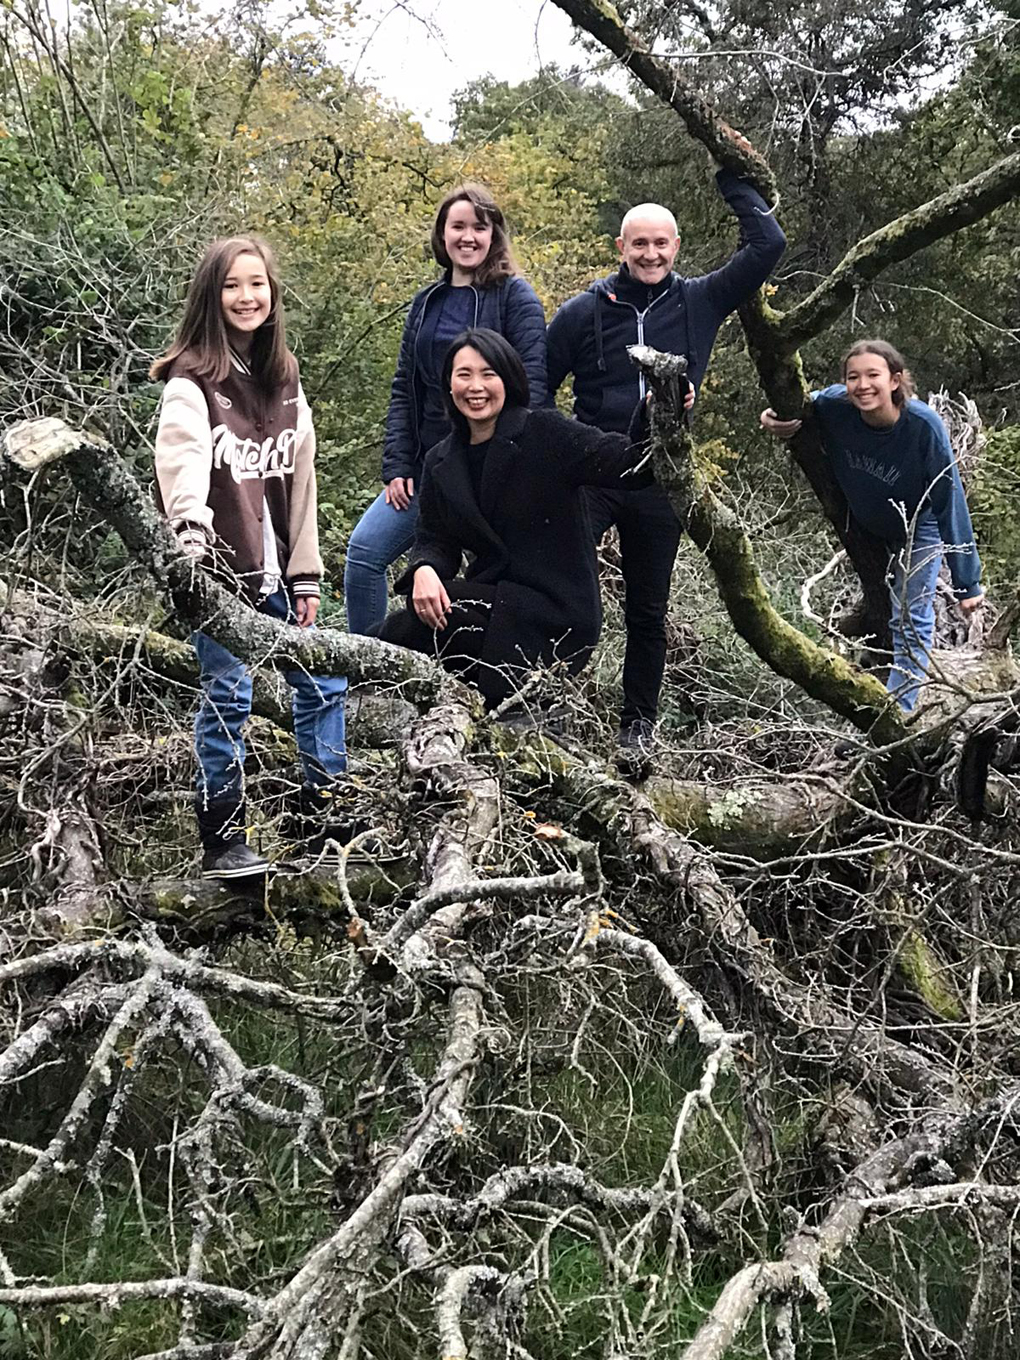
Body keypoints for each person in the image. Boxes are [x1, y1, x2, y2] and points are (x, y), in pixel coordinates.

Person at [546, 169, 786, 767]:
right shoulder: (584, 312)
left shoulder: (698, 299)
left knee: (648, 610)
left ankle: (637, 730)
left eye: (661, 243)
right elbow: (535, 393)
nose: (650, 253)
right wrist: (565, 450)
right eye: (639, 243)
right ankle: (547, 707)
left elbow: (768, 246)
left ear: (675, 247)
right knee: (562, 588)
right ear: (620, 248)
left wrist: (733, 176)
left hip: (663, 477)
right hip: (595, 474)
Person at [152, 234, 348, 878]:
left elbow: (302, 479)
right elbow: (180, 459)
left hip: (274, 571)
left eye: (257, 283)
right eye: (233, 285)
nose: (246, 296)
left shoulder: (284, 379)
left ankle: (327, 818)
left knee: (321, 681)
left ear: (272, 293)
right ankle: (223, 839)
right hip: (215, 571)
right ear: (212, 295)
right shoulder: (192, 381)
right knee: (229, 694)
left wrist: (306, 574)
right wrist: (190, 538)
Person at [376, 328, 651, 708]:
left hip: (556, 611)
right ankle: (469, 713)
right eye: (464, 374)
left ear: (509, 379)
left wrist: (658, 414)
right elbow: (435, 539)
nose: (476, 386)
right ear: (449, 385)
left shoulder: (544, 432)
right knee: (416, 621)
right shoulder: (441, 460)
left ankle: (345, 684)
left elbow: (629, 464)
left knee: (413, 625)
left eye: (489, 374)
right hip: (495, 602)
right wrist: (424, 569)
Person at [344, 184, 548, 635]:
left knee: (493, 583)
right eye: (458, 226)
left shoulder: (516, 298)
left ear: (495, 235)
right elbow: (405, 386)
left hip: (494, 475)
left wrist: (507, 466)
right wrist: (397, 462)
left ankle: (473, 681)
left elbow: (531, 389)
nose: (468, 236)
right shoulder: (426, 303)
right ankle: (366, 671)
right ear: (442, 234)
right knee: (364, 552)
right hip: (428, 471)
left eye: (480, 226)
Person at [760, 338, 983, 711]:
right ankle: (876, 688)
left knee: (909, 619)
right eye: (853, 377)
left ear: (895, 380)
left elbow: (949, 499)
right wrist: (773, 415)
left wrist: (967, 582)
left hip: (918, 527)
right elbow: (798, 402)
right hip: (864, 523)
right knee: (878, 612)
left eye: (872, 375)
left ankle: (898, 713)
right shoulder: (835, 406)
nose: (862, 385)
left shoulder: (922, 426)